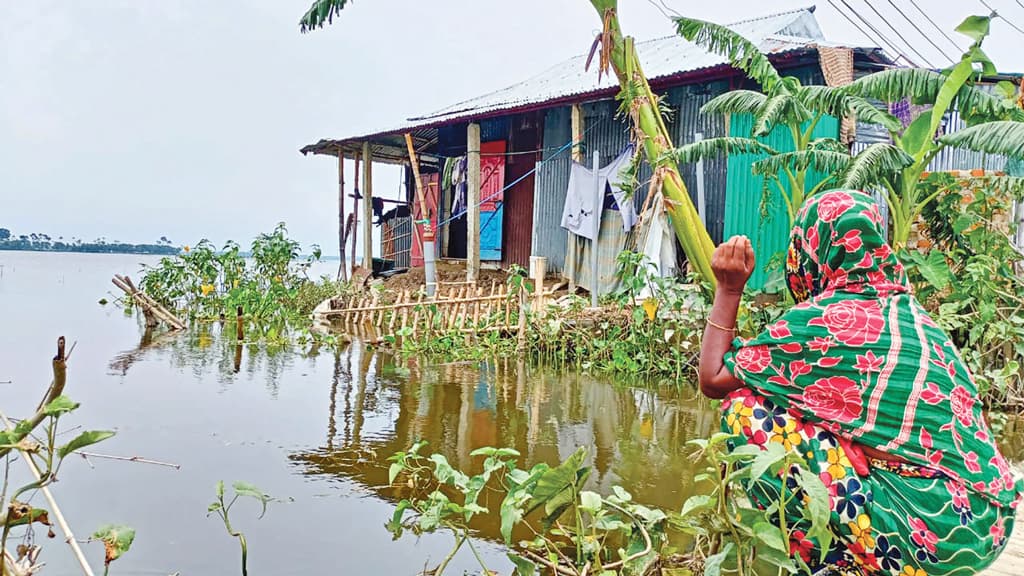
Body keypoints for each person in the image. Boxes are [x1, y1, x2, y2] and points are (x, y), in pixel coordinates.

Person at [698, 190, 1022, 576]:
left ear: (812, 250)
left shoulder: (825, 320)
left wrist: (729, 289)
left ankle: (838, 563)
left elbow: (715, 379)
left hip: (932, 535)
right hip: (990, 525)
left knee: (746, 410)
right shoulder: (917, 321)